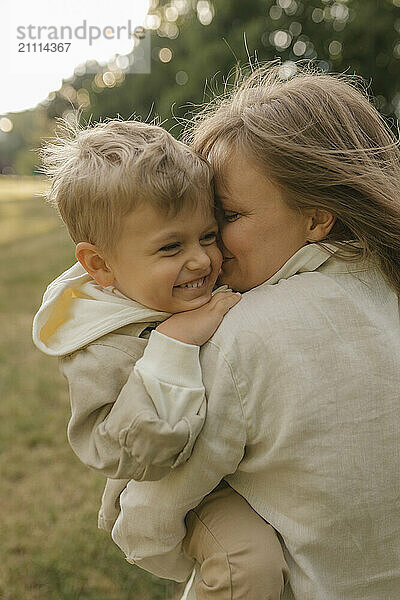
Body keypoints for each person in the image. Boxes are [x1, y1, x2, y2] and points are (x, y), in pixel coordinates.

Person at [108, 63, 400, 599]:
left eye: (229, 216)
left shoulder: (246, 332)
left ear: (317, 219)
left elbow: (151, 512)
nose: (211, 248)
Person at [32, 120, 289, 600]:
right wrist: (174, 345)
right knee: (245, 564)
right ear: (100, 265)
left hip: (249, 455)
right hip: (187, 494)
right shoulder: (103, 345)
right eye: (171, 247)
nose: (201, 261)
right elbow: (123, 454)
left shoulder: (199, 286)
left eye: (209, 235)